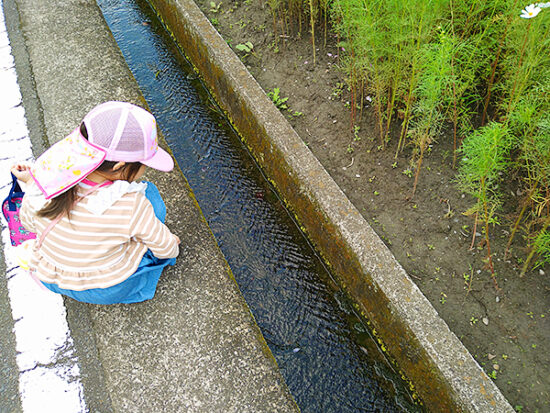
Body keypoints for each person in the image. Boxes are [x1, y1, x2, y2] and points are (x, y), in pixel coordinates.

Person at [11, 101, 180, 304]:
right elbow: (166, 249)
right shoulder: (130, 203)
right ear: (119, 166)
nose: (145, 169)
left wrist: (31, 181)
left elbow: (29, 224)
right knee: (150, 194)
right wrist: (172, 246)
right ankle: (133, 290)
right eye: (143, 163)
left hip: (52, 279)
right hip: (107, 289)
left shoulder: (44, 182)